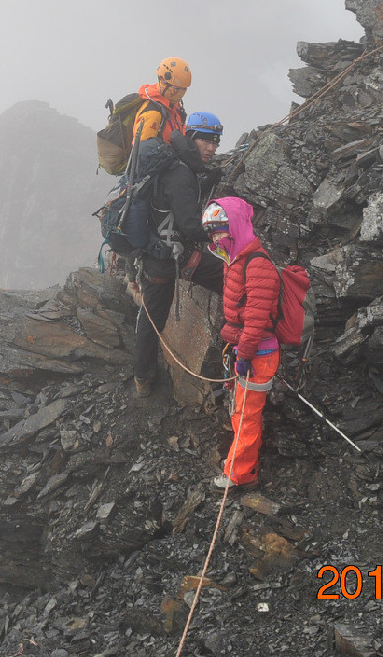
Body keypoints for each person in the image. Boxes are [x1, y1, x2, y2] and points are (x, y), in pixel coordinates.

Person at [130, 111, 225, 398]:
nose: (211, 148)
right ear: (191, 138)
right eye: (205, 141)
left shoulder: (177, 162)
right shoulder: (181, 173)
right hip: (166, 260)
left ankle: (142, 377)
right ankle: (143, 380)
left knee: (152, 317)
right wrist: (222, 229)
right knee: (230, 276)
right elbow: (191, 226)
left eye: (215, 142)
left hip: (157, 254)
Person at [202, 196, 280, 490]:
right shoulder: (233, 260)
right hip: (245, 351)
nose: (216, 237)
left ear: (236, 225)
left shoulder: (256, 265)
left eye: (221, 229)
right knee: (241, 410)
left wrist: (244, 355)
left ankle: (240, 475)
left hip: (259, 353)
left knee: (247, 414)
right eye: (212, 232)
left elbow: (257, 319)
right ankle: (244, 464)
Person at [129, 57, 192, 156]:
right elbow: (142, 154)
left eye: (184, 89)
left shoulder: (174, 107)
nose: (180, 93)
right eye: (176, 89)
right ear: (162, 80)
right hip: (156, 168)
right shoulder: (153, 114)